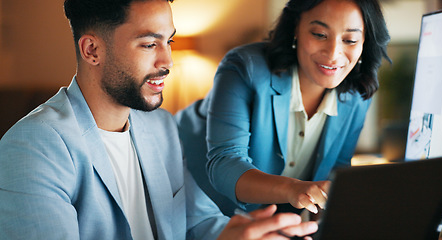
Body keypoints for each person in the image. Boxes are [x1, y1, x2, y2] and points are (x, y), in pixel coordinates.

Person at [0, 0, 319, 239]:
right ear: (92, 50)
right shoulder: (31, 149)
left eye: (170, 42)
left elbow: (197, 220)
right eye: (150, 44)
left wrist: (248, 234)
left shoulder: (162, 127)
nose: (167, 61)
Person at [176, 0, 391, 216]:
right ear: (296, 27)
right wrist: (294, 189)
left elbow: (335, 173)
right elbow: (225, 164)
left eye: (350, 40)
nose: (334, 53)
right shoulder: (244, 68)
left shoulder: (358, 96)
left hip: (272, 224)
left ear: (365, 41)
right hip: (192, 206)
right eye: (319, 34)